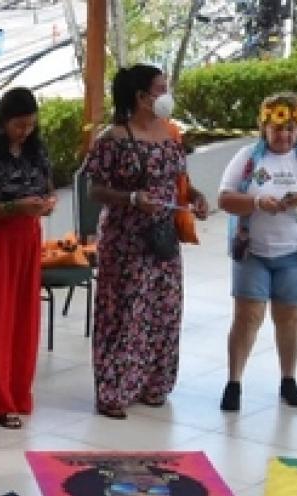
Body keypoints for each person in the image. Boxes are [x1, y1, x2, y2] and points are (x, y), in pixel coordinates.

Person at [85, 64, 210, 419]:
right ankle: (114, 389)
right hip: (126, 239)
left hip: (163, 237)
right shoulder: (113, 139)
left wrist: (196, 197)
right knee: (125, 313)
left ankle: (154, 385)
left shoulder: (170, 134)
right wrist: (133, 199)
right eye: (160, 88)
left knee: (164, 310)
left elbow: (180, 180)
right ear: (141, 97)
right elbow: (95, 190)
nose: (165, 94)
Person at [216, 92, 297, 413]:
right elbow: (225, 199)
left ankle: (288, 379)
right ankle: (234, 382)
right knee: (247, 317)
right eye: (277, 129)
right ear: (264, 128)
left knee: (289, 318)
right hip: (252, 251)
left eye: (290, 129)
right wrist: (257, 202)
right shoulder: (247, 158)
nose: (284, 136)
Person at [0, 87, 55, 430]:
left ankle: (18, 392)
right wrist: (15, 207)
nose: (25, 131)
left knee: (23, 317)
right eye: (19, 125)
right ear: (3, 122)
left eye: (30, 125)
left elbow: (47, 189)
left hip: (29, 238)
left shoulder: (37, 151)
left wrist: (45, 204)